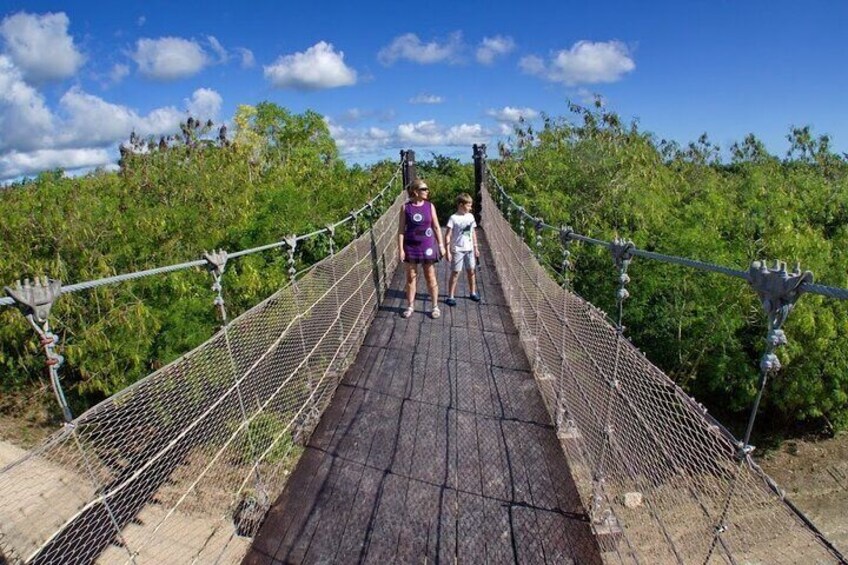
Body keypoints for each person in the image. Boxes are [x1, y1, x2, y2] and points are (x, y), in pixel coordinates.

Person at [397, 179, 446, 319]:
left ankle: (435, 306)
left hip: (427, 246)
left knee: (430, 276)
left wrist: (441, 245)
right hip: (410, 246)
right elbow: (401, 230)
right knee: (410, 278)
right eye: (424, 189)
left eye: (426, 189)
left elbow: (436, 227)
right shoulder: (405, 208)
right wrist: (400, 249)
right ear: (415, 191)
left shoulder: (430, 206)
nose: (427, 191)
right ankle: (410, 306)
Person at [444, 192, 480, 306]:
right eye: (468, 205)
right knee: (455, 272)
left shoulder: (470, 217)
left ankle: (472, 292)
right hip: (458, 250)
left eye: (471, 205)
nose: (470, 207)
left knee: (471, 271)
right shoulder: (453, 218)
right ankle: (450, 296)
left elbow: (473, 232)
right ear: (460, 205)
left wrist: (476, 247)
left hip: (469, 249)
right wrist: (448, 251)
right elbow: (448, 235)